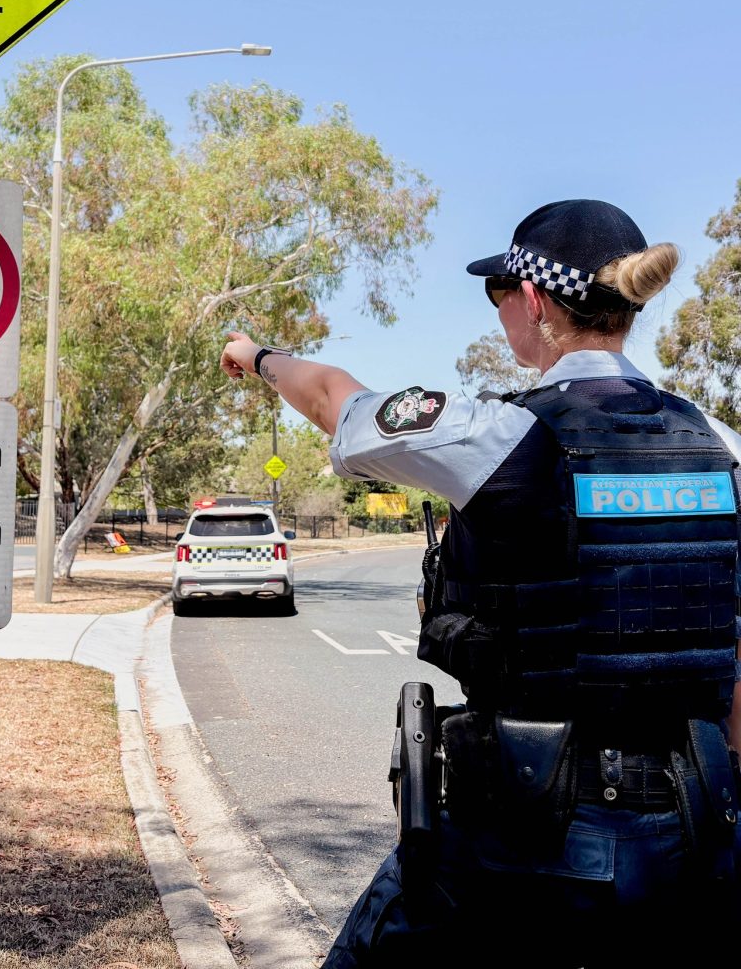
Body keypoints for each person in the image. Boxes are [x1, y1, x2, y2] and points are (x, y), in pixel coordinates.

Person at [220, 198, 741, 968]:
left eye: (500, 293)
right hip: (688, 832)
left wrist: (258, 356)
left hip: (524, 834)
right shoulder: (717, 444)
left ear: (532, 300)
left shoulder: (499, 434)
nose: (501, 309)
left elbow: (334, 397)